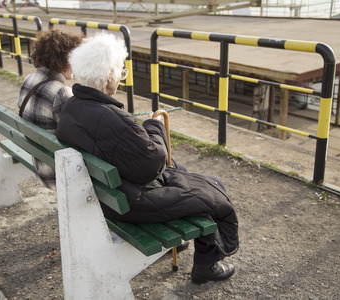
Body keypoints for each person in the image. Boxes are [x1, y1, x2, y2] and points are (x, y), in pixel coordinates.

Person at [56, 32, 239, 284]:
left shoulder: (72, 106)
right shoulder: (113, 118)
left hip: (106, 195)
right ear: (109, 74)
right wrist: (154, 126)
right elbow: (151, 165)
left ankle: (195, 253)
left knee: (187, 176)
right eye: (120, 71)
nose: (121, 78)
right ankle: (206, 266)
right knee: (213, 188)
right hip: (130, 205)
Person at [17, 29, 82, 188]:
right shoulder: (61, 92)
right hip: (57, 172)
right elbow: (76, 138)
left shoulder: (30, 79)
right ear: (64, 60)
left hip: (40, 162)